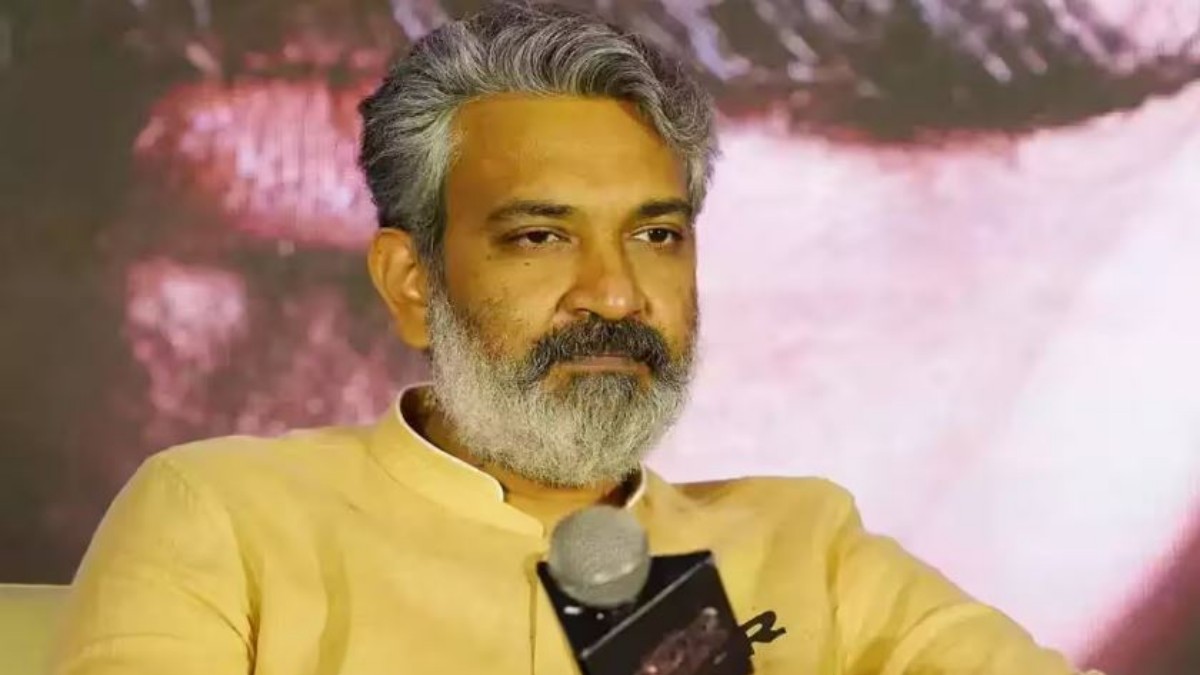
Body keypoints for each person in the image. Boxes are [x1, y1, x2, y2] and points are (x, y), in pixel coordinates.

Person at [52, 4, 1107, 674]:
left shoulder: (806, 538)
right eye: (539, 235)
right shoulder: (219, 513)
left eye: (657, 235)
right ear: (412, 283)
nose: (615, 293)